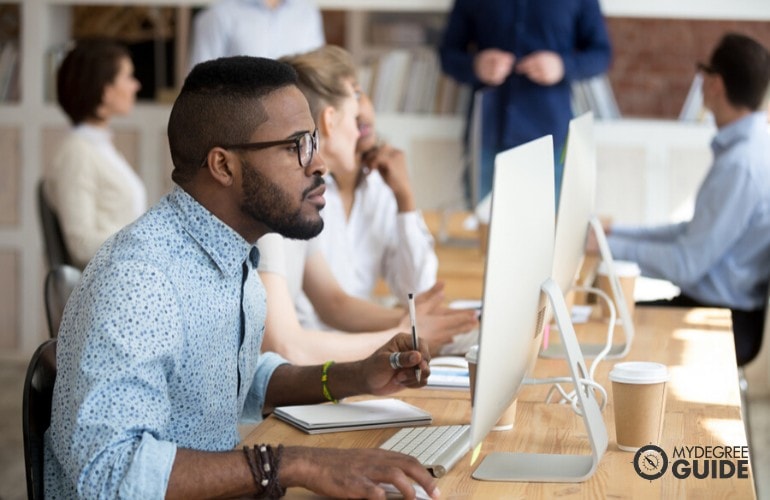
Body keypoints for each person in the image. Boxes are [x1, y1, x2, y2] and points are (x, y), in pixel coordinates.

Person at [45, 56, 440, 499]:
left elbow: (240, 378)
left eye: (313, 141)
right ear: (223, 166)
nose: (319, 164)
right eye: (297, 147)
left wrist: (355, 376)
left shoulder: (234, 258)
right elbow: (107, 473)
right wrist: (293, 463)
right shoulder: (141, 280)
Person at [257, 46, 478, 364]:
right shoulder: (275, 204)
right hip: (298, 375)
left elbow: (335, 303)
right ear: (330, 121)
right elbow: (287, 347)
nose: (362, 119)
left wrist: (419, 328)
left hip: (321, 363)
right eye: (355, 99)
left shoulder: (299, 199)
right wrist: (405, 334)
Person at [600, 33, 770, 366]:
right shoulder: (751, 149)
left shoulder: (741, 165)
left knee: (602, 330)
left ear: (715, 83)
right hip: (719, 308)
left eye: (702, 72)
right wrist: (614, 233)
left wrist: (606, 247)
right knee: (603, 317)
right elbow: (691, 233)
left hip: (723, 320)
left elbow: (687, 264)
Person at [285, 45, 439, 329]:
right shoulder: (299, 191)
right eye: (350, 98)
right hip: (316, 353)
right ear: (328, 118)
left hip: (363, 342)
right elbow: (332, 307)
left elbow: (418, 292)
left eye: (359, 93)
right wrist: (415, 324)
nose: (359, 113)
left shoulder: (382, 183)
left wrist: (405, 198)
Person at [438, 0, 612, 205]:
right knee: (486, 229)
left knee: (550, 231)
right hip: (488, 132)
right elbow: (447, 54)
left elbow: (602, 54)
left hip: (551, 139)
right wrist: (476, 65)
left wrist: (562, 66)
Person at [43, 39, 147, 269]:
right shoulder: (77, 153)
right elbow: (80, 244)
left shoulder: (98, 147)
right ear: (106, 91)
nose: (136, 85)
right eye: (128, 77)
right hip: (107, 293)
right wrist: (146, 241)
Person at [187, 0, 324, 70]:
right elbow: (199, 85)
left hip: (296, 119)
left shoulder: (308, 14)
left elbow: (317, 72)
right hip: (238, 119)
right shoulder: (218, 14)